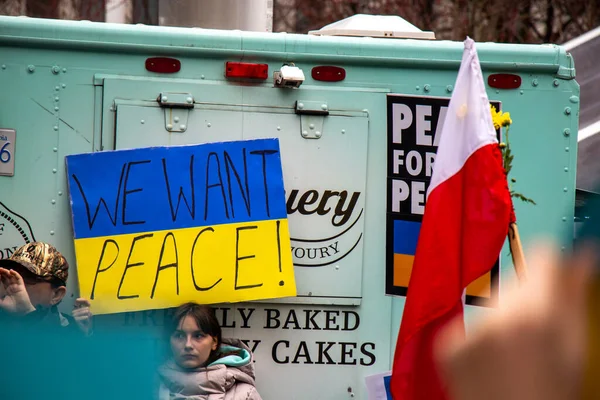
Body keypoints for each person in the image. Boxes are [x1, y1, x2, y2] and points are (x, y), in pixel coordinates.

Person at [158, 302, 262, 400]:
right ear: (169, 341)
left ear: (214, 342)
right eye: (179, 336)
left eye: (198, 336)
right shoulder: (148, 389)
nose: (188, 345)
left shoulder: (244, 395)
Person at [0, 241, 93, 335]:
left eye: (28, 278)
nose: (14, 282)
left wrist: (27, 315)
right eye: (7, 274)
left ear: (56, 295)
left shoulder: (71, 333)